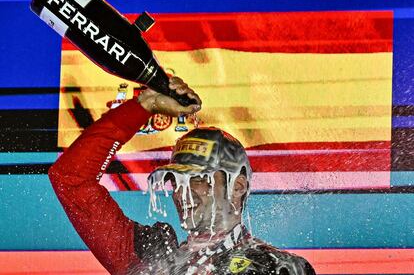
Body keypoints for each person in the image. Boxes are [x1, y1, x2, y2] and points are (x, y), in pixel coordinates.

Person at [49, 77, 315, 275]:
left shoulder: (277, 267)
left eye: (199, 179)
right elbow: (70, 179)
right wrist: (146, 104)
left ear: (238, 186)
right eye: (176, 181)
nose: (182, 192)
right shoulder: (148, 255)